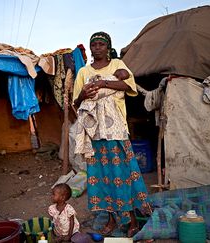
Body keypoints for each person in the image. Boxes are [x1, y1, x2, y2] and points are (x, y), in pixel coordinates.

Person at [73, 32, 151, 237]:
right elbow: (76, 102)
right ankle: (110, 218)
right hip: (95, 132)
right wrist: (84, 93)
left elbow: (128, 86)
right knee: (100, 177)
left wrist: (102, 84)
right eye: (94, 45)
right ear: (91, 49)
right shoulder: (83, 71)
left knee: (122, 174)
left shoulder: (117, 64)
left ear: (108, 47)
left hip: (115, 130)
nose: (97, 48)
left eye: (101, 44)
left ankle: (131, 218)